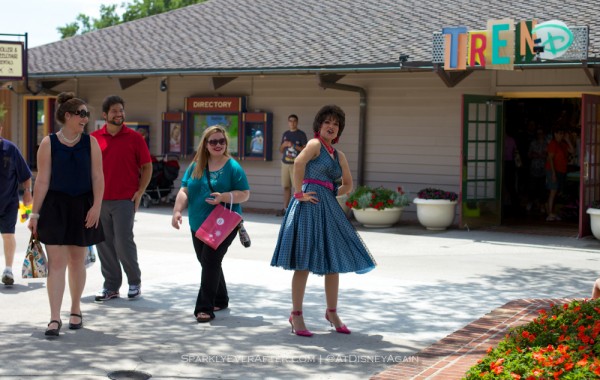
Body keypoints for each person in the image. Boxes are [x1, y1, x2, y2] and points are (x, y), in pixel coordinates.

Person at [271, 105, 376, 337]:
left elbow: (349, 184)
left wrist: (333, 192)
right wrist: (299, 193)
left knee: (333, 261)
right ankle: (296, 315)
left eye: (336, 124)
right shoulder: (314, 144)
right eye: (327, 122)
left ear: (339, 131)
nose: (331, 126)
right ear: (319, 126)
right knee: (303, 262)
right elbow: (298, 163)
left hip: (328, 207)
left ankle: (332, 312)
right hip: (309, 205)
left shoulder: (340, 156)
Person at [28, 92, 104, 336]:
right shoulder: (49, 143)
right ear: (68, 116)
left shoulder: (90, 143)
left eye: (87, 115)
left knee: (77, 261)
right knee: (57, 264)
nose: (85, 118)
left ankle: (75, 309)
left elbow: (97, 177)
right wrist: (34, 215)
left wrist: (97, 206)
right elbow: (41, 181)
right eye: (81, 114)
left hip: (83, 206)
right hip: (55, 207)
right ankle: (53, 318)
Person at [171, 125, 250, 323]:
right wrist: (177, 210)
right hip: (198, 222)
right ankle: (221, 299)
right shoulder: (196, 165)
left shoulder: (232, 167)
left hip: (224, 223)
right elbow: (185, 190)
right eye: (213, 141)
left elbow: (245, 194)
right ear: (205, 144)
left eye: (221, 141)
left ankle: (204, 307)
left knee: (210, 261)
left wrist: (224, 196)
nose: (218, 145)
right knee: (207, 262)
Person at [91, 95, 152, 301]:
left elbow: (147, 166)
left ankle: (134, 281)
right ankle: (111, 286)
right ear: (105, 115)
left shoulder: (135, 138)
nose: (119, 114)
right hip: (99, 201)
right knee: (104, 243)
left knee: (123, 242)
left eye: (121, 110)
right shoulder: (94, 138)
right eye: (115, 111)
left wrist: (140, 191)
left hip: (125, 200)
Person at [0, 120, 33, 286]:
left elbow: (26, 176)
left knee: (7, 234)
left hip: (8, 202)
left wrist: (27, 192)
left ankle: (8, 269)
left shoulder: (10, 149)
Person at [278, 114, 307, 216]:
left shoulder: (301, 134)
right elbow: (281, 150)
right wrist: (284, 145)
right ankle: (285, 209)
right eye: (290, 121)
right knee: (286, 187)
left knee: (297, 187)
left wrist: (294, 145)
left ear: (297, 122)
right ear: (288, 122)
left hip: (296, 165)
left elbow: (305, 150)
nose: (292, 123)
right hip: (285, 163)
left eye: (294, 121)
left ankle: (296, 210)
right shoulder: (285, 134)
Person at [545, 127, 574, 222]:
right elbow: (550, 159)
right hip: (553, 170)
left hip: (561, 171)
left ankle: (552, 212)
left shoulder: (562, 144)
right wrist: (553, 173)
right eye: (560, 133)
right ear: (555, 134)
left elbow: (572, 151)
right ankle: (549, 213)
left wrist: (568, 140)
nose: (562, 135)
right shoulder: (553, 144)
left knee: (557, 191)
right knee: (553, 191)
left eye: (563, 134)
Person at [527, 127, 548, 214]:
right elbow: (528, 154)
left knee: (542, 188)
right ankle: (530, 202)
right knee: (532, 187)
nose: (540, 135)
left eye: (541, 133)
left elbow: (550, 156)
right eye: (538, 133)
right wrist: (534, 155)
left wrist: (544, 155)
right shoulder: (533, 143)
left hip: (543, 169)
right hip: (534, 168)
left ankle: (542, 205)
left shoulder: (547, 143)